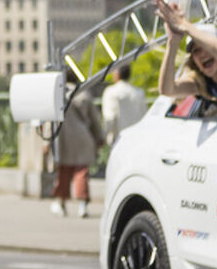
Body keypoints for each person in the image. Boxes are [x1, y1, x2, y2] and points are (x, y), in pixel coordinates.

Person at [49, 72, 106, 217]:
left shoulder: (58, 94)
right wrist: (99, 138)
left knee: (64, 172)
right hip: (83, 136)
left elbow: (51, 118)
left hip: (63, 137)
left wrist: (48, 140)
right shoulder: (84, 94)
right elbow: (94, 119)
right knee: (81, 172)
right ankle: (82, 205)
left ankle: (61, 203)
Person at [99, 64, 148, 146]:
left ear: (117, 74)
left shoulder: (111, 92)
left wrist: (103, 137)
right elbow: (144, 116)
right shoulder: (139, 92)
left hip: (119, 140)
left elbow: (110, 117)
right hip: (137, 139)